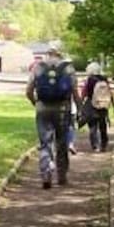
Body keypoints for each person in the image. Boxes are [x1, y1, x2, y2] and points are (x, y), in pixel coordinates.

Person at [26, 47, 82, 188]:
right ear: (60, 55)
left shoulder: (38, 67)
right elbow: (75, 91)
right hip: (63, 109)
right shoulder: (68, 68)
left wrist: (35, 102)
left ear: (47, 54)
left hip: (43, 108)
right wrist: (79, 108)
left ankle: (46, 173)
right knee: (62, 142)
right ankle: (62, 175)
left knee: (45, 142)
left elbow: (28, 90)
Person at [83, 62, 114, 152]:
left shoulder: (90, 79)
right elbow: (109, 91)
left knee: (93, 126)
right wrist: (112, 102)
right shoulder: (104, 79)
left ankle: (95, 145)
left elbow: (85, 92)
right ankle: (104, 144)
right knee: (102, 125)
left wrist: (82, 101)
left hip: (92, 104)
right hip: (103, 105)